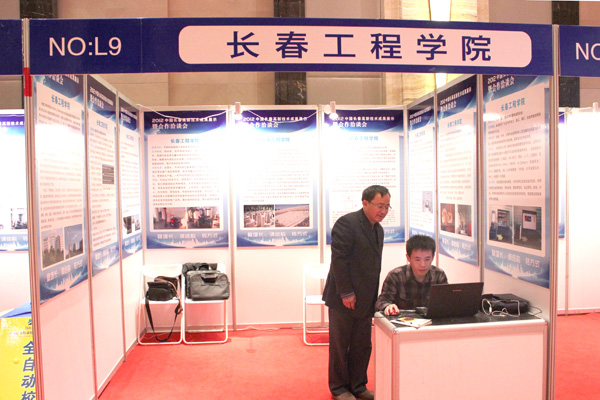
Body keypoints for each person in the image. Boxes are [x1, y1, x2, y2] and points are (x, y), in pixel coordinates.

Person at [322, 185, 391, 400]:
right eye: (380, 206)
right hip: (343, 297)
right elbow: (339, 261)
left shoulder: (378, 229)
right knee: (341, 345)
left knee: (362, 345)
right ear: (365, 203)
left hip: (366, 298)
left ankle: (358, 385)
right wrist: (346, 293)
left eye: (387, 207)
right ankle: (339, 388)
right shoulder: (347, 223)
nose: (383, 211)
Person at [375, 234, 448, 316]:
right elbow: (382, 301)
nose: (422, 264)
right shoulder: (396, 276)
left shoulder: (439, 275)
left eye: (427, 259)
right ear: (408, 258)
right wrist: (388, 306)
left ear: (433, 257)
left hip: (431, 321)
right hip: (403, 321)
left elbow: (446, 301)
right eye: (417, 260)